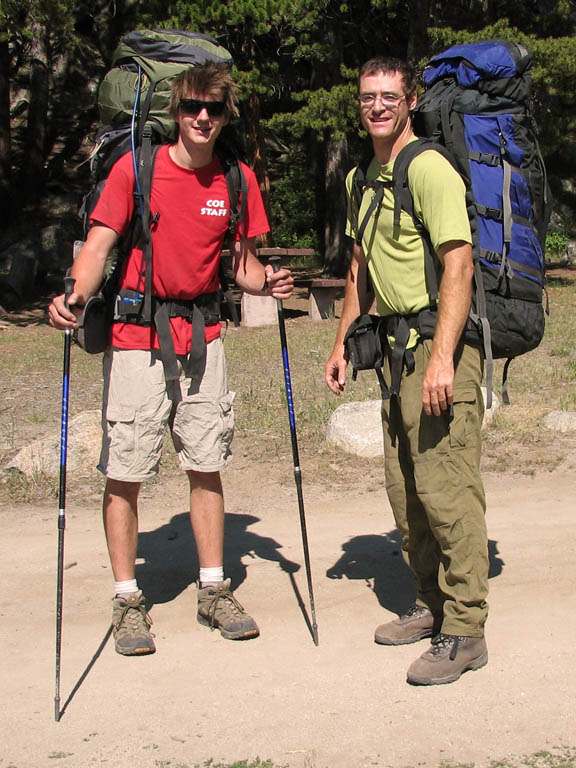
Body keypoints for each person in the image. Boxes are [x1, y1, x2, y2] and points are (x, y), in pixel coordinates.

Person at [48, 62, 293, 656]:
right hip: (137, 335)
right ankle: (128, 599)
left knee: (207, 460)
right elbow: (101, 245)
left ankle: (214, 590)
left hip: (205, 334)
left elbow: (239, 262)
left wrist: (270, 283)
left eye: (212, 108)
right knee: (126, 467)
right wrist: (74, 294)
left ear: (225, 115)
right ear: (174, 113)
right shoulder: (139, 170)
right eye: (190, 107)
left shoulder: (237, 180)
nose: (201, 118)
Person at [325, 57, 489, 685]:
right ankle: (432, 604)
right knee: (407, 492)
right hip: (393, 357)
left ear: (411, 100)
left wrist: (445, 355)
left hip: (436, 351)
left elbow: (458, 264)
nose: (377, 107)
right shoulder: (361, 176)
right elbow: (359, 271)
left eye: (389, 96)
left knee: (448, 492)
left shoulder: (428, 168)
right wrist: (342, 344)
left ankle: (466, 629)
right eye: (368, 96)